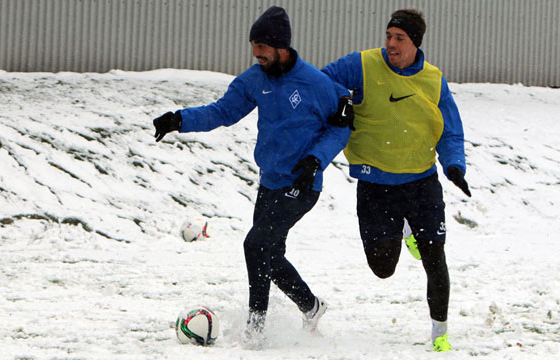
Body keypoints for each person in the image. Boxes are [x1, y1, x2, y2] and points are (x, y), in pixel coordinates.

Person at [152, 6, 352, 347]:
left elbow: (343, 125)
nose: (256, 53)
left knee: (255, 244)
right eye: (253, 46)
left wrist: (315, 161)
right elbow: (222, 111)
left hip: (302, 184)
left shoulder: (316, 83)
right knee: (269, 256)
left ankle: (256, 330)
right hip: (270, 182)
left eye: (262, 47)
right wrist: (179, 120)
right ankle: (311, 306)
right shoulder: (255, 79)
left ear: (281, 46)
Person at [321, 8, 471, 352]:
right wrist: (343, 100)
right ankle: (405, 232)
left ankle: (440, 334)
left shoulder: (434, 80)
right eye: (388, 36)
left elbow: (450, 130)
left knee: (435, 257)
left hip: (421, 183)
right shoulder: (361, 64)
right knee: (382, 268)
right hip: (375, 186)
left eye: (399, 38)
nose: (391, 43)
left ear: (415, 43)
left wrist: (454, 166)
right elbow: (320, 81)